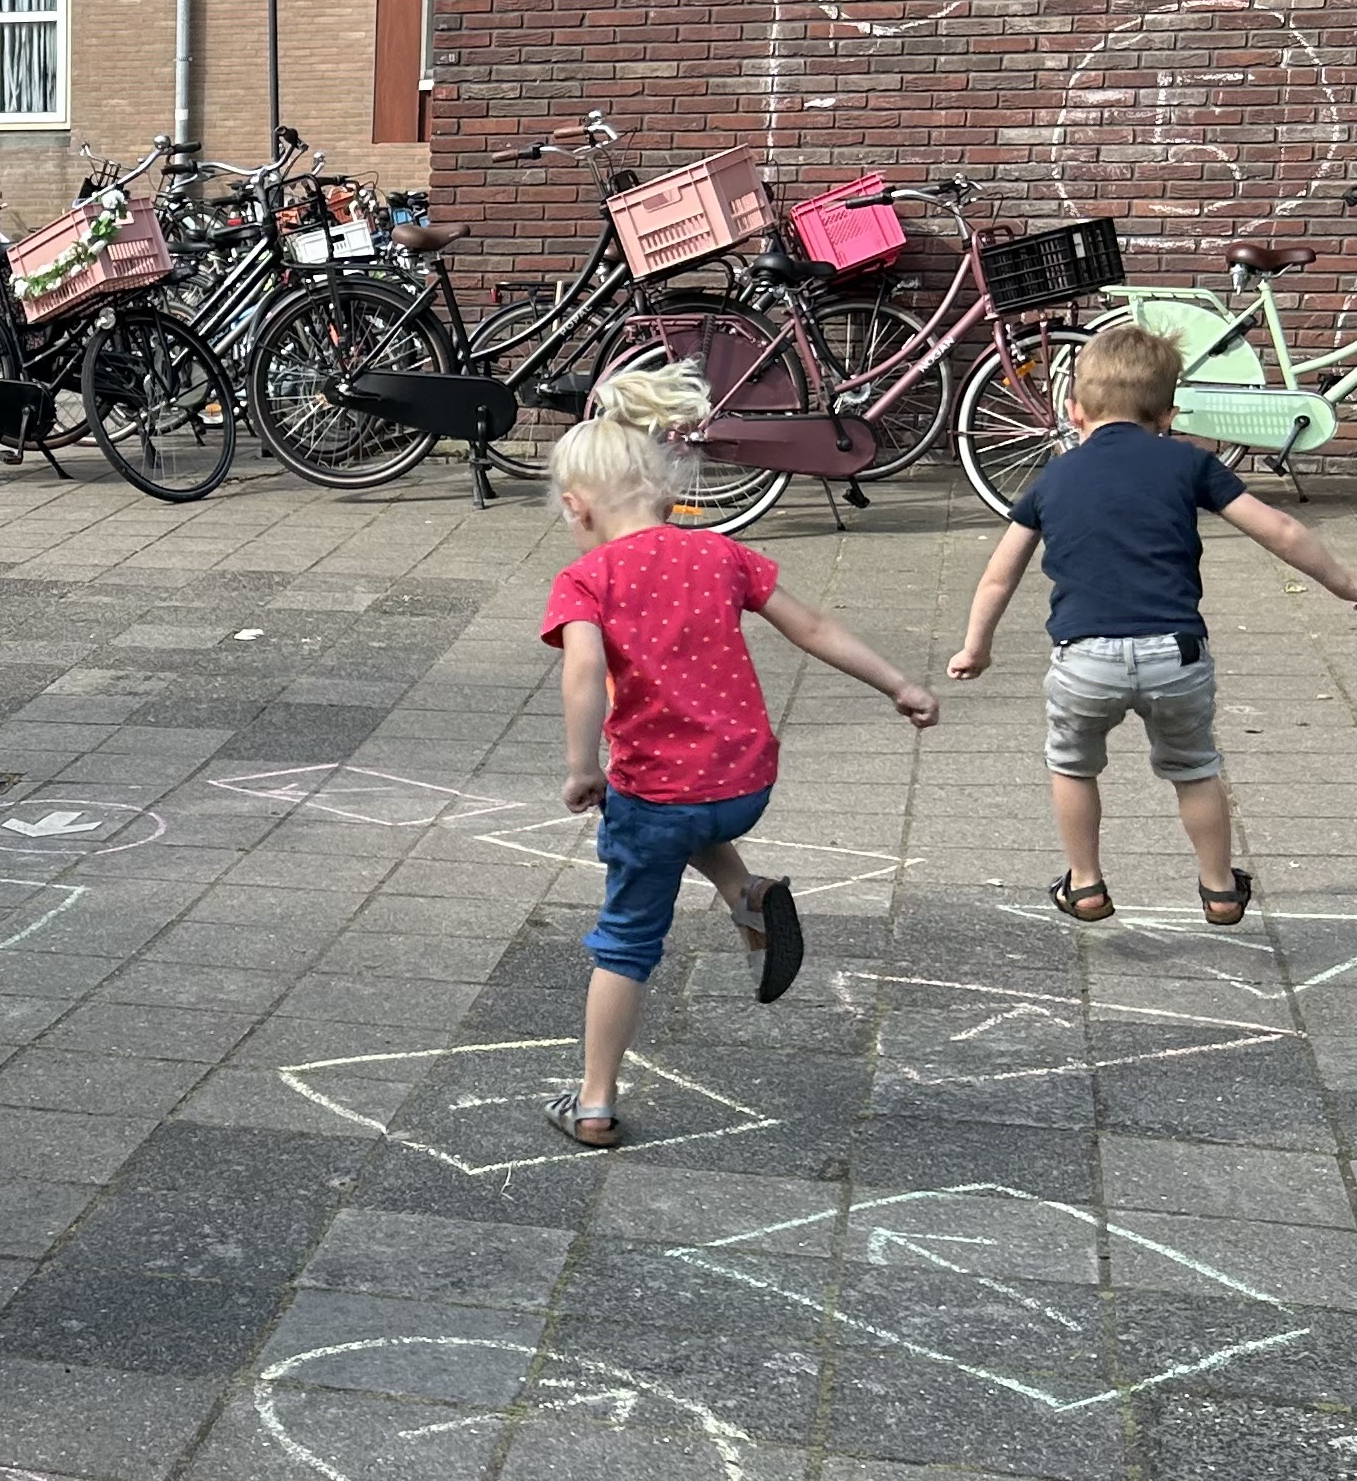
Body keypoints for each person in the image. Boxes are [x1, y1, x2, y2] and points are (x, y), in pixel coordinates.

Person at [541, 362, 939, 1146]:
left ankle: (592, 1101)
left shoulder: (586, 579)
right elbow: (815, 627)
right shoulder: (721, 554)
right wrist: (898, 684)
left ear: (576, 506)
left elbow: (584, 670)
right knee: (680, 808)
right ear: (667, 492)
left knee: (625, 938)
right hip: (743, 783)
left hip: (662, 793)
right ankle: (746, 893)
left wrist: (583, 765)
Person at [948, 319, 1357, 920]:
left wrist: (975, 647)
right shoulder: (1188, 465)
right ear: (1169, 413)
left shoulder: (1053, 478)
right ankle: (1219, 887)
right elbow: (1283, 529)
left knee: (1072, 764)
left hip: (1085, 658)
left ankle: (1085, 883)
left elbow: (999, 574)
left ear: (1073, 410)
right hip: (1175, 654)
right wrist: (1347, 585)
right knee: (1194, 768)